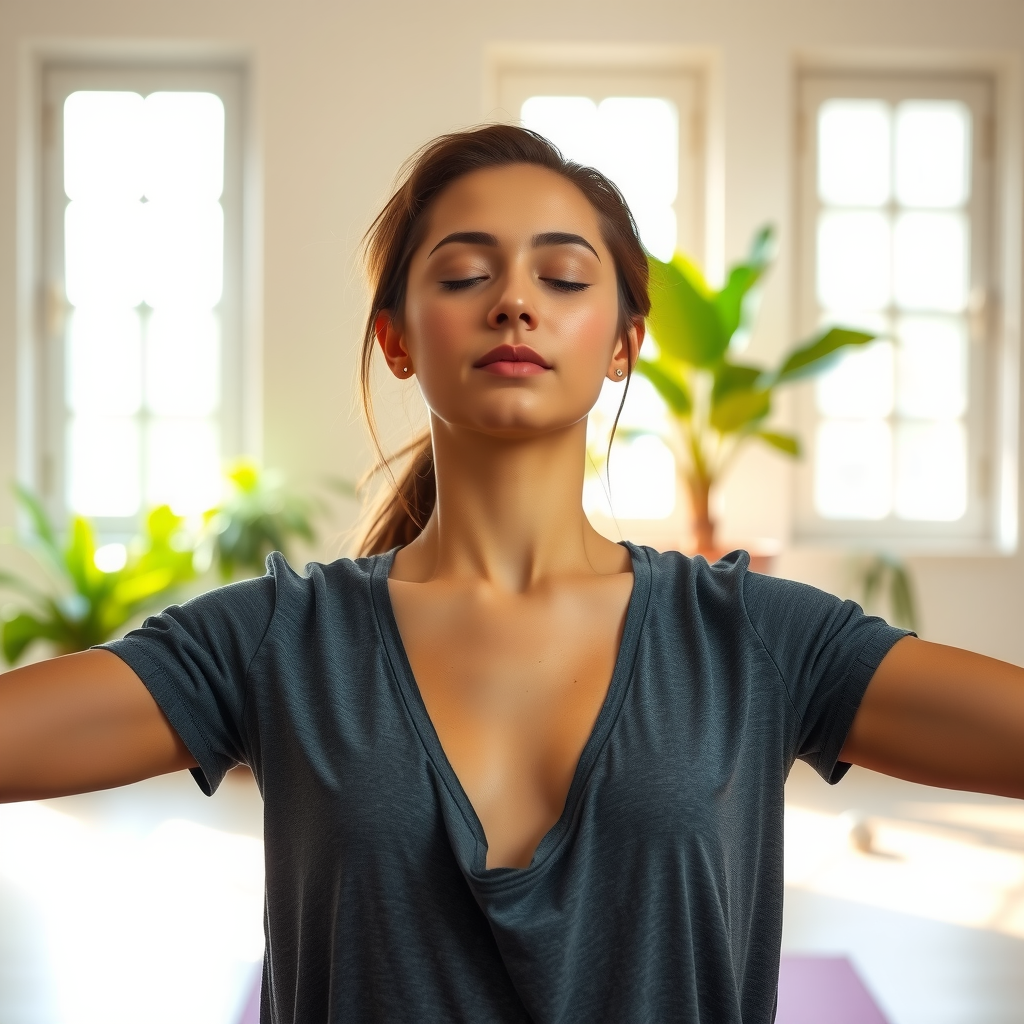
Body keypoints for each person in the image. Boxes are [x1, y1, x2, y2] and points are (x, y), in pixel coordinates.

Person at [1, 124, 1022, 1024]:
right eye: (463, 274)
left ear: (623, 341)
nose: (516, 303)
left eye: (564, 277)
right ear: (397, 338)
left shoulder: (755, 640)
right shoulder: (277, 641)